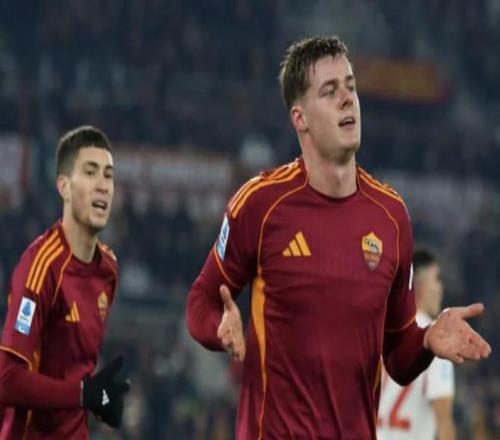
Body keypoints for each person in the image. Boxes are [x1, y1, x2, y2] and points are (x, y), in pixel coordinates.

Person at [186, 36, 491, 439]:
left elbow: (398, 355)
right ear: (300, 118)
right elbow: (200, 300)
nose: (348, 99)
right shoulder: (260, 205)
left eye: (350, 86)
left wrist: (426, 341)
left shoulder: (391, 216)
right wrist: (217, 329)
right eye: (330, 91)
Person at [0, 126, 129, 439]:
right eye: (90, 172)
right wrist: (83, 393)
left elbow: (73, 369)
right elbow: (7, 380)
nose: (102, 186)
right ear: (64, 187)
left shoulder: (108, 269)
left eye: (108, 176)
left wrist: (97, 395)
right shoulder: (41, 266)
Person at [377, 249, 456, 440]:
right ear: (419, 284)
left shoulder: (379, 331)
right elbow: (443, 422)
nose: (441, 288)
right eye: (437, 279)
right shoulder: (436, 339)